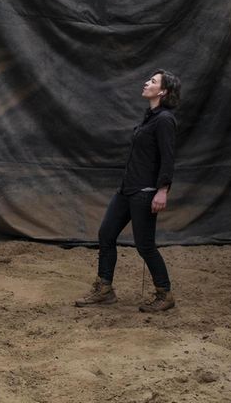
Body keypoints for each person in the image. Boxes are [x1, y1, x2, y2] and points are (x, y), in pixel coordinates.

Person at [75, 69, 180, 312]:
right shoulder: (150, 116)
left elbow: (168, 158)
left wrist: (162, 190)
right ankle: (105, 289)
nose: (146, 82)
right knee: (106, 234)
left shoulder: (164, 119)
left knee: (144, 245)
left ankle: (164, 294)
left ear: (163, 91)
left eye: (153, 81)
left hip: (145, 191)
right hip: (127, 189)